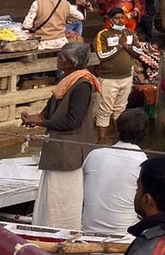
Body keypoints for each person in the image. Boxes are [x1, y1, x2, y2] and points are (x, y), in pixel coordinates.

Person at [21, 42, 100, 229]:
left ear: (72, 63)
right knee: (50, 195)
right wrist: (33, 118)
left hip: (70, 152)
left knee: (63, 198)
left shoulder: (82, 85)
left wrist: (41, 123)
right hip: (58, 149)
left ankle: (62, 231)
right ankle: (44, 228)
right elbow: (48, 111)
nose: (58, 59)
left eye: (61, 58)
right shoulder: (66, 81)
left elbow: (72, 121)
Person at [82, 108, 148, 233]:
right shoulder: (142, 161)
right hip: (125, 232)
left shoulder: (94, 154)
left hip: (88, 228)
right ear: (144, 135)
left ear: (117, 132)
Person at [94, 8, 140, 141]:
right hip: (109, 78)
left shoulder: (130, 33)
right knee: (105, 110)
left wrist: (127, 47)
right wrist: (119, 46)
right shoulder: (103, 35)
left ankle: (117, 139)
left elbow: (139, 51)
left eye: (122, 18)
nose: (121, 21)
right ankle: (101, 140)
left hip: (127, 77)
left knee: (120, 109)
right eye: (117, 18)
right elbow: (102, 55)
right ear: (110, 20)